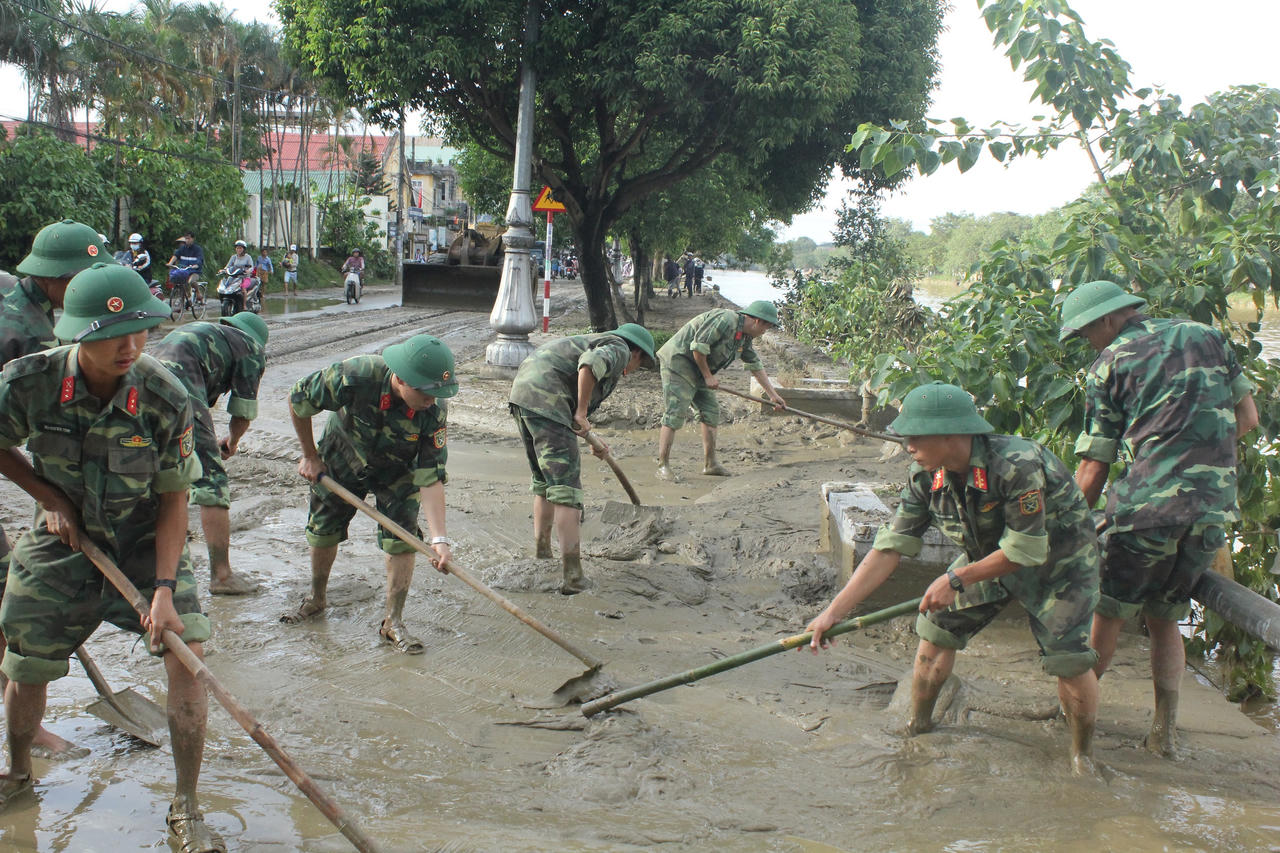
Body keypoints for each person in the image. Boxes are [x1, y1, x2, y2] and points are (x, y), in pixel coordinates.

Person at [0, 263, 223, 849]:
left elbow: (176, 498)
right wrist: (49, 499)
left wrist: (165, 590)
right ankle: (19, 770)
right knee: (25, 659)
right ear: (76, 333)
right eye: (111, 335)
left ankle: (187, 802)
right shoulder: (29, 383)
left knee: (188, 653)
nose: (129, 347)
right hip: (61, 539)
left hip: (146, 538)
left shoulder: (164, 395)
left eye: (140, 331)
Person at [805, 381, 1102, 775]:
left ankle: (1082, 755)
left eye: (916, 436)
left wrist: (957, 579)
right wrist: (833, 613)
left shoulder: (1017, 465)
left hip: (1060, 566)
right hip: (986, 560)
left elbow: (1027, 550)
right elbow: (889, 548)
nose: (908, 445)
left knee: (1068, 659)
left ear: (953, 433)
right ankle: (919, 723)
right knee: (936, 630)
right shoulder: (926, 477)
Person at [1058, 280, 1259, 757]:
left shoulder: (1109, 363)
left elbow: (1094, 466)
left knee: (1107, 614)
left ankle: (1075, 720)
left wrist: (1067, 528)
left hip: (1145, 512)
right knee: (1166, 619)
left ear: (1109, 319)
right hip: (1211, 510)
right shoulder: (1208, 336)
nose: (1090, 341)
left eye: (1087, 332)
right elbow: (1246, 418)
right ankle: (1163, 732)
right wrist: (1199, 469)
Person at [0, 219, 110, 759]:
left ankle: (16, 710)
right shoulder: (32, 337)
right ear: (57, 278)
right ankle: (22, 722)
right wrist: (51, 497)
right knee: (11, 589)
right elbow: (45, 431)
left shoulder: (12, 290)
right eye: (87, 277)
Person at [282, 335, 457, 654]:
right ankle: (317, 598)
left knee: (401, 537)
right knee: (323, 529)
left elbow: (431, 477)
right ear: (401, 378)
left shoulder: (433, 412)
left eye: (438, 393)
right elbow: (299, 398)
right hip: (342, 455)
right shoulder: (355, 375)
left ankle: (393, 621)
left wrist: (439, 539)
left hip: (397, 468)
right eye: (426, 392)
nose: (433, 400)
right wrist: (309, 455)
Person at [508, 324, 656, 594]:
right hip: (547, 400)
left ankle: (543, 554)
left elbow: (573, 399)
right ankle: (573, 577)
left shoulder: (592, 340)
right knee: (566, 491)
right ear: (637, 352)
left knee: (544, 481)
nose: (635, 369)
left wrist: (590, 435)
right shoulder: (620, 348)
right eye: (641, 363)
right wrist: (582, 412)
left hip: (523, 396)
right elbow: (589, 366)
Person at [152, 313, 269, 596]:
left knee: (158, 472)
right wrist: (233, 440)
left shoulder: (209, 333)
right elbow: (242, 410)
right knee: (212, 481)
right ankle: (222, 575)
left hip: (146, 378)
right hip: (179, 388)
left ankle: (152, 562)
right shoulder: (250, 347)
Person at [655, 301, 786, 480]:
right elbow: (698, 347)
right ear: (758, 321)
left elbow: (754, 364)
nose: (765, 332)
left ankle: (710, 464)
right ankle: (663, 466)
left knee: (711, 412)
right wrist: (708, 376)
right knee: (675, 411)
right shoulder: (725, 320)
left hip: (700, 369)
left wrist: (773, 395)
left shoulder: (745, 337)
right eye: (767, 327)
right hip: (679, 362)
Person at [165, 231, 205, 303]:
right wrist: (170, 263)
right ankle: (185, 300)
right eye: (186, 239)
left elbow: (200, 259)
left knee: (191, 281)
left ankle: (198, 292)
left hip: (194, 271)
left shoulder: (197, 249)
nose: (187, 240)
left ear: (193, 239)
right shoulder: (182, 249)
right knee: (179, 281)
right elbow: (176, 256)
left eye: (189, 238)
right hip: (183, 270)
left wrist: (196, 265)